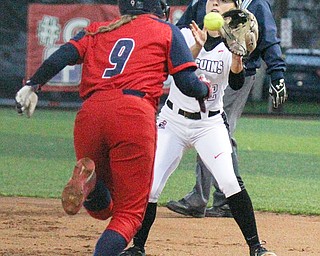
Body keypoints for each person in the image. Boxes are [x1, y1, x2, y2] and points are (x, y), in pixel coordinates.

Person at [14, 1, 213, 255]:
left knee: (103, 209)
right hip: (133, 114)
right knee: (129, 215)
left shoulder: (97, 29)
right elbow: (188, 84)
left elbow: (62, 55)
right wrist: (205, 87)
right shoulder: (166, 30)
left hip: (90, 114)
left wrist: (32, 85)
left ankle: (92, 183)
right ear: (157, 8)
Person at [119, 1, 277, 256]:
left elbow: (236, 83)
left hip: (209, 124)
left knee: (229, 181)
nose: (215, 2)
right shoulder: (183, 34)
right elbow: (173, 70)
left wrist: (237, 58)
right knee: (151, 186)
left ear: (233, 9)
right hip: (173, 121)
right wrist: (196, 46)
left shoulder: (234, 41)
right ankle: (137, 247)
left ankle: (256, 247)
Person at [167, 0, 287, 218]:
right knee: (218, 130)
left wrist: (277, 73)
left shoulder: (255, 4)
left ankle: (202, 199)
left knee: (214, 128)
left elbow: (269, 40)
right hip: (204, 70)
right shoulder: (204, 2)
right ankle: (224, 198)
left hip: (238, 73)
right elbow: (180, 29)